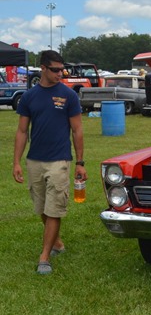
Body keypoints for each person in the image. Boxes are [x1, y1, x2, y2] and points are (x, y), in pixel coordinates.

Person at [12, 50, 88, 275]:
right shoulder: (29, 97)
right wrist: (16, 161)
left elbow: (77, 129)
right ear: (43, 68)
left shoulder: (69, 95)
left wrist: (80, 162)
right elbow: (22, 130)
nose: (60, 74)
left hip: (59, 160)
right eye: (55, 70)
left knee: (54, 208)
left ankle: (44, 257)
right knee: (41, 208)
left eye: (61, 70)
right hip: (34, 160)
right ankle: (57, 242)